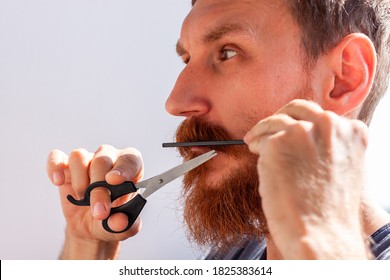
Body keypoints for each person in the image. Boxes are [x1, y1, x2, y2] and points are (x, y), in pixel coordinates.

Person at [46, 0, 390, 259]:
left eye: (227, 52)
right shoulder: (236, 256)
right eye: (187, 59)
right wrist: (86, 250)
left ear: (345, 77)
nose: (176, 102)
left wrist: (326, 241)